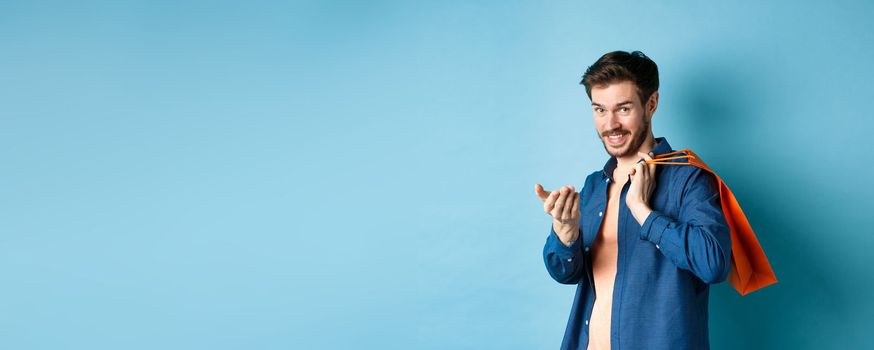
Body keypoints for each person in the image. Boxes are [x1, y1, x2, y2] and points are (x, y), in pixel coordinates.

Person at [534, 51, 732, 350]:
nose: (610, 124)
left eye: (623, 109)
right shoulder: (593, 185)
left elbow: (714, 265)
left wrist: (644, 212)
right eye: (599, 110)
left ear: (650, 104)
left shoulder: (689, 178)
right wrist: (565, 232)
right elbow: (566, 274)